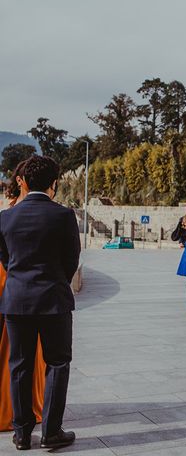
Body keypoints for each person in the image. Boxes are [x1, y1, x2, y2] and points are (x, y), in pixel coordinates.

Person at [0, 155, 81, 450]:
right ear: (54, 183)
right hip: (54, 300)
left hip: (16, 301)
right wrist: (55, 281)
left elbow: (6, 259)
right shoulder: (64, 216)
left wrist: (21, 281)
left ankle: (22, 434)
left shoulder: (6, 217)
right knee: (58, 363)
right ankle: (51, 431)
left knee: (19, 366)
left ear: (24, 181)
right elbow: (72, 258)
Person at [0, 161, 46, 435]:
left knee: (13, 353)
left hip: (10, 283)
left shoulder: (8, 215)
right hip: (16, 287)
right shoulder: (23, 213)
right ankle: (23, 407)